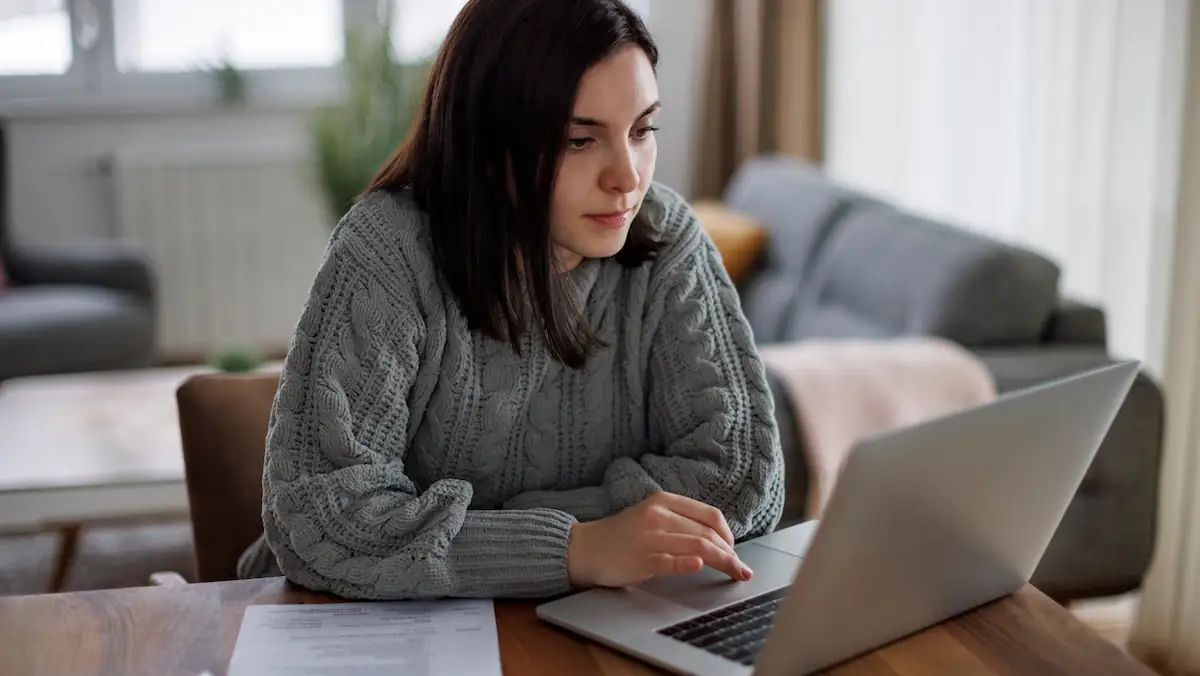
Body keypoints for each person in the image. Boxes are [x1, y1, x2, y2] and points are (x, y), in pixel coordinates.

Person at [237, 0, 785, 600]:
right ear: (489, 142)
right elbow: (322, 521)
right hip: (353, 620)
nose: (627, 177)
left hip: (582, 614)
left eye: (641, 130)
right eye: (580, 140)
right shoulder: (389, 250)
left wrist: (512, 537)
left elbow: (741, 482)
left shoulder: (667, 238)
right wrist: (577, 547)